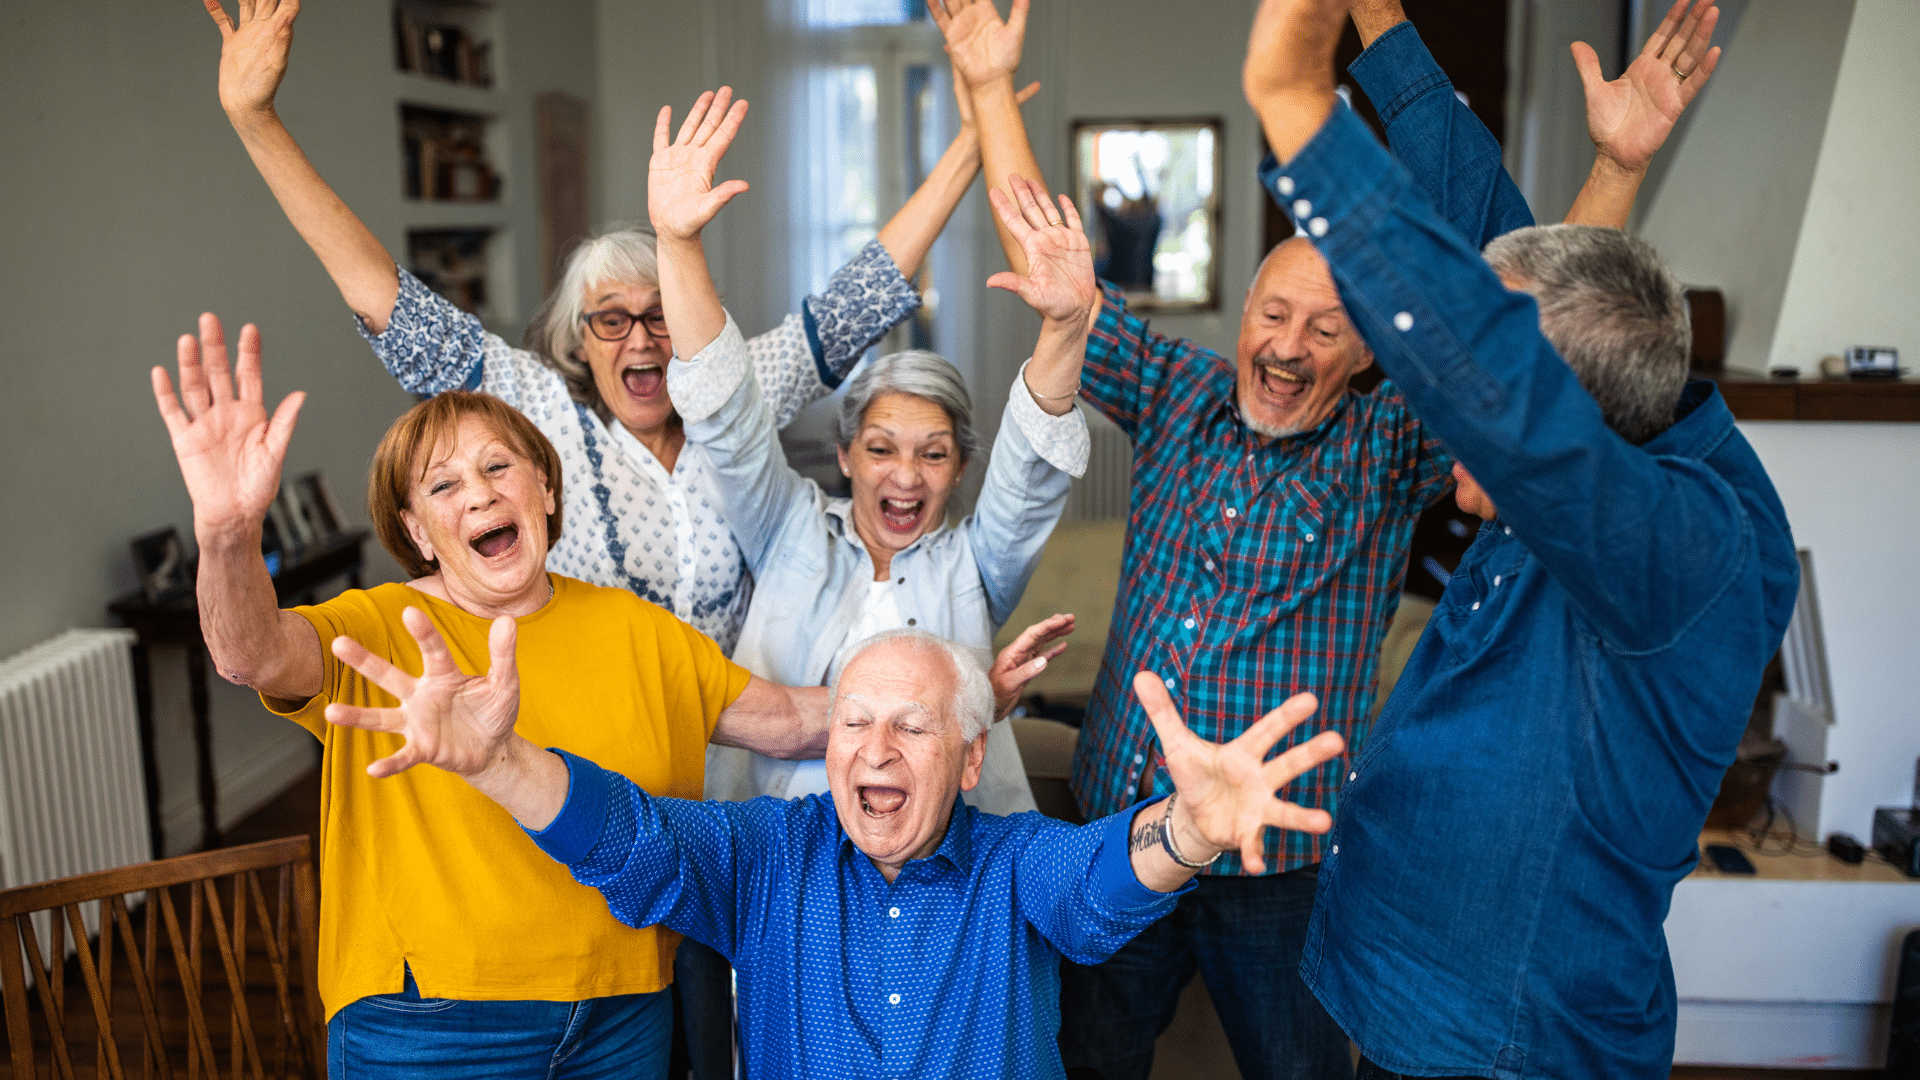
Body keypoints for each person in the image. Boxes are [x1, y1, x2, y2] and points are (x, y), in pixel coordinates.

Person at [926, 0, 1724, 1075]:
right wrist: (983, 83)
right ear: (1241, 314)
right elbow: (1052, 261)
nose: (1288, 347)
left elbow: (1531, 339)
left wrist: (1615, 168)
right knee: (1090, 1060)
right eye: (1272, 315)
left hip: (1284, 861)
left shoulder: (1391, 446)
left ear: (1366, 357)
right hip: (1131, 831)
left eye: (1326, 328)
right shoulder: (1180, 394)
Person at [1239, 2, 1793, 1078]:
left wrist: (1303, 115)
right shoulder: (1623, 403)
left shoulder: (1693, 547)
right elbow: (1478, 233)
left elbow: (1501, 381)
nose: (1444, 425)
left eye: (1477, 406)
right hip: (1411, 999)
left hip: (1501, 1045)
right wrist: (1378, 19)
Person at [201, 0, 1034, 654]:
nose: (640, 339)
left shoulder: (732, 385)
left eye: (662, 317)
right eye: (611, 320)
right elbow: (380, 294)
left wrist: (971, 135)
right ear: (579, 337)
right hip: (592, 751)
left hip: (734, 749)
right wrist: (255, 120)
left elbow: (864, 294)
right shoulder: (529, 407)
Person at [149, 314, 840, 1077]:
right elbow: (248, 653)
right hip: (428, 1021)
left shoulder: (640, 629)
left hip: (625, 1010)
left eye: (498, 467)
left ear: (544, 488)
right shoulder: (379, 623)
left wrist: (962, 694)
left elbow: (793, 721)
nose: (478, 494)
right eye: (443, 485)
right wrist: (226, 534)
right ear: (416, 530)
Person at [316, 611, 1350, 1080]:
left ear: (967, 750)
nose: (875, 749)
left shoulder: (1014, 856)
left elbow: (1096, 889)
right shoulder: (770, 854)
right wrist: (497, 764)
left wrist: (1188, 831)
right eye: (854, 722)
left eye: (911, 725)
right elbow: (632, 839)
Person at [640, 102, 1098, 815]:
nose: (907, 475)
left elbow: (1032, 471)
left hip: (941, 862)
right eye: (881, 448)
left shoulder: (975, 566)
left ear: (960, 469)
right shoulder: (789, 528)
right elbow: (726, 417)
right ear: (845, 455)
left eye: (934, 454)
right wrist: (676, 242)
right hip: (781, 848)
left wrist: (1067, 327)